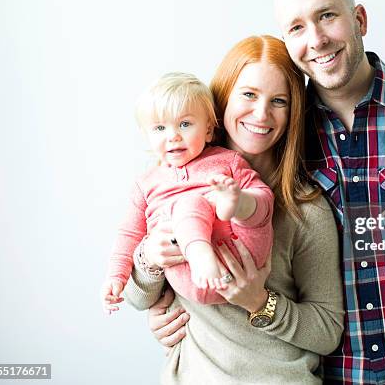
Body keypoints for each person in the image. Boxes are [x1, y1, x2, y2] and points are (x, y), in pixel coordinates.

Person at [148, 0, 385, 385]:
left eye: (327, 16)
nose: (316, 39)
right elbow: (199, 214)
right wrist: (169, 304)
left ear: (359, 20)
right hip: (330, 372)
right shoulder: (278, 130)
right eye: (297, 27)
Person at [123, 35, 345, 384]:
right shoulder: (171, 181)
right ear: (222, 99)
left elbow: (327, 331)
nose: (261, 113)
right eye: (248, 94)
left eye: (279, 101)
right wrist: (150, 257)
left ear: (293, 113)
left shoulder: (306, 210)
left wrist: (259, 301)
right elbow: (137, 297)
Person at [101, 72, 274, 313]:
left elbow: (264, 197)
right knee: (186, 206)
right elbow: (129, 234)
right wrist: (115, 277)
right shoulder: (146, 184)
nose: (173, 136)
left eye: (185, 124)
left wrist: (240, 201)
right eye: (160, 128)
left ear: (208, 130)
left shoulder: (228, 162)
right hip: (189, 274)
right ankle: (199, 250)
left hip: (241, 254)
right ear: (147, 136)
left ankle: (233, 206)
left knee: (244, 199)